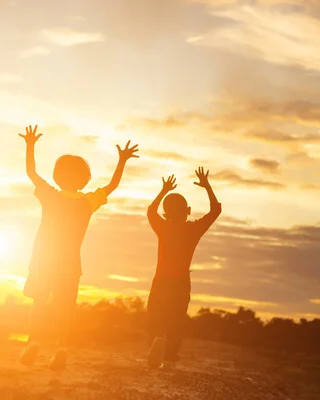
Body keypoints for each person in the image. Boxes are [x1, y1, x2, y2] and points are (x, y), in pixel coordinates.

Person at [18, 125, 139, 370]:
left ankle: (34, 341)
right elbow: (112, 186)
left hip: (44, 259)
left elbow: (31, 172)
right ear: (84, 179)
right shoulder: (88, 202)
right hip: (70, 263)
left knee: (39, 302)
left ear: (56, 176)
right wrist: (122, 161)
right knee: (65, 307)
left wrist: (30, 145)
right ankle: (61, 347)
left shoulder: (49, 195)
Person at [146, 167, 221, 370]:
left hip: (161, 279)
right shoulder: (193, 229)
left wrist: (163, 191)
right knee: (177, 319)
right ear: (187, 211)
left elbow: (150, 211)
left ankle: (158, 336)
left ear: (166, 213)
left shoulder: (163, 227)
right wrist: (207, 187)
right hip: (181, 282)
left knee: (154, 313)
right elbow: (215, 211)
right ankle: (169, 359)